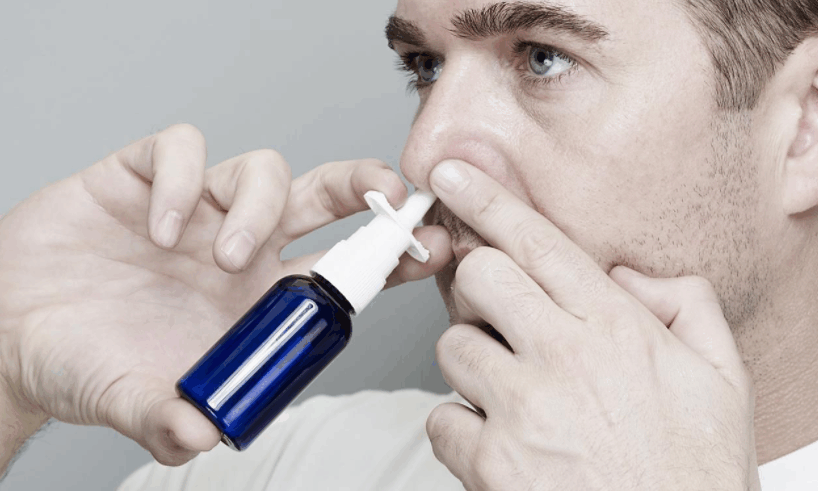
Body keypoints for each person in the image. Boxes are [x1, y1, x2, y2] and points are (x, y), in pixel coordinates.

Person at [1, 0, 817, 487]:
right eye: (425, 66)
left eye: (542, 58)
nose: (424, 153)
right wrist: (6, 367)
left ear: (806, 129)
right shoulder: (296, 465)